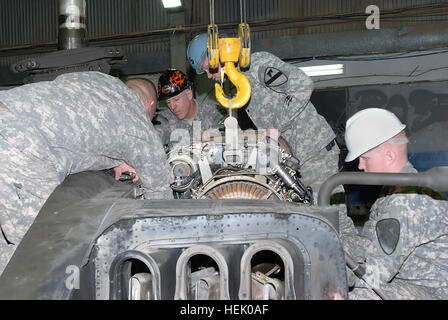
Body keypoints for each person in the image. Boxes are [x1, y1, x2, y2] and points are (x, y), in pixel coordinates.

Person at [0, 71, 173, 276]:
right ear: (149, 105)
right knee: (45, 251)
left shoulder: (99, 80)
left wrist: (116, 160)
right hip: (17, 143)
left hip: (7, 109)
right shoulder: (136, 118)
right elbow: (160, 194)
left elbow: (80, 128)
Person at [186, 33, 340, 199]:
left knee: (331, 215)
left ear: (220, 55)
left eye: (209, 68)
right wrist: (217, 135)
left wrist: (277, 126)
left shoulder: (257, 64)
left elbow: (302, 85)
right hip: (291, 162)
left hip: (315, 152)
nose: (209, 76)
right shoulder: (238, 84)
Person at [341, 107, 448, 300]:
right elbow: (368, 242)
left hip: (434, 292)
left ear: (389, 156)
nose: (360, 166)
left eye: (364, 158)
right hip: (409, 282)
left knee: (351, 294)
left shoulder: (406, 203)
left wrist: (334, 280)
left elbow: (375, 275)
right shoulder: (395, 189)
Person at [156, 69, 224, 147]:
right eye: (168, 102)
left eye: (176, 99)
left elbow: (234, 135)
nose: (172, 107)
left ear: (189, 94)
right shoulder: (165, 120)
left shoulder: (212, 112)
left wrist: (216, 135)